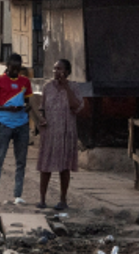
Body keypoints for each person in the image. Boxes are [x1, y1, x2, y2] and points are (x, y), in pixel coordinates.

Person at [33, 59, 84, 210]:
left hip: (66, 132)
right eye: (55, 69)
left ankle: (63, 200)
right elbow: (42, 108)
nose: (56, 72)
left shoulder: (74, 87)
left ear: (67, 72)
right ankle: (42, 199)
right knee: (45, 166)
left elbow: (76, 106)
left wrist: (66, 87)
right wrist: (41, 118)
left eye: (60, 69)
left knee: (65, 166)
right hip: (49, 132)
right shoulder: (47, 87)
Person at [0, 53, 32, 207]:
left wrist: (26, 107)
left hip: (21, 124)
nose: (15, 72)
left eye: (18, 69)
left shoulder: (25, 81)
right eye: (13, 68)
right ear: (7, 66)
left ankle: (18, 195)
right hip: (4, 123)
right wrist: (5, 108)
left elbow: (28, 102)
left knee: (21, 161)